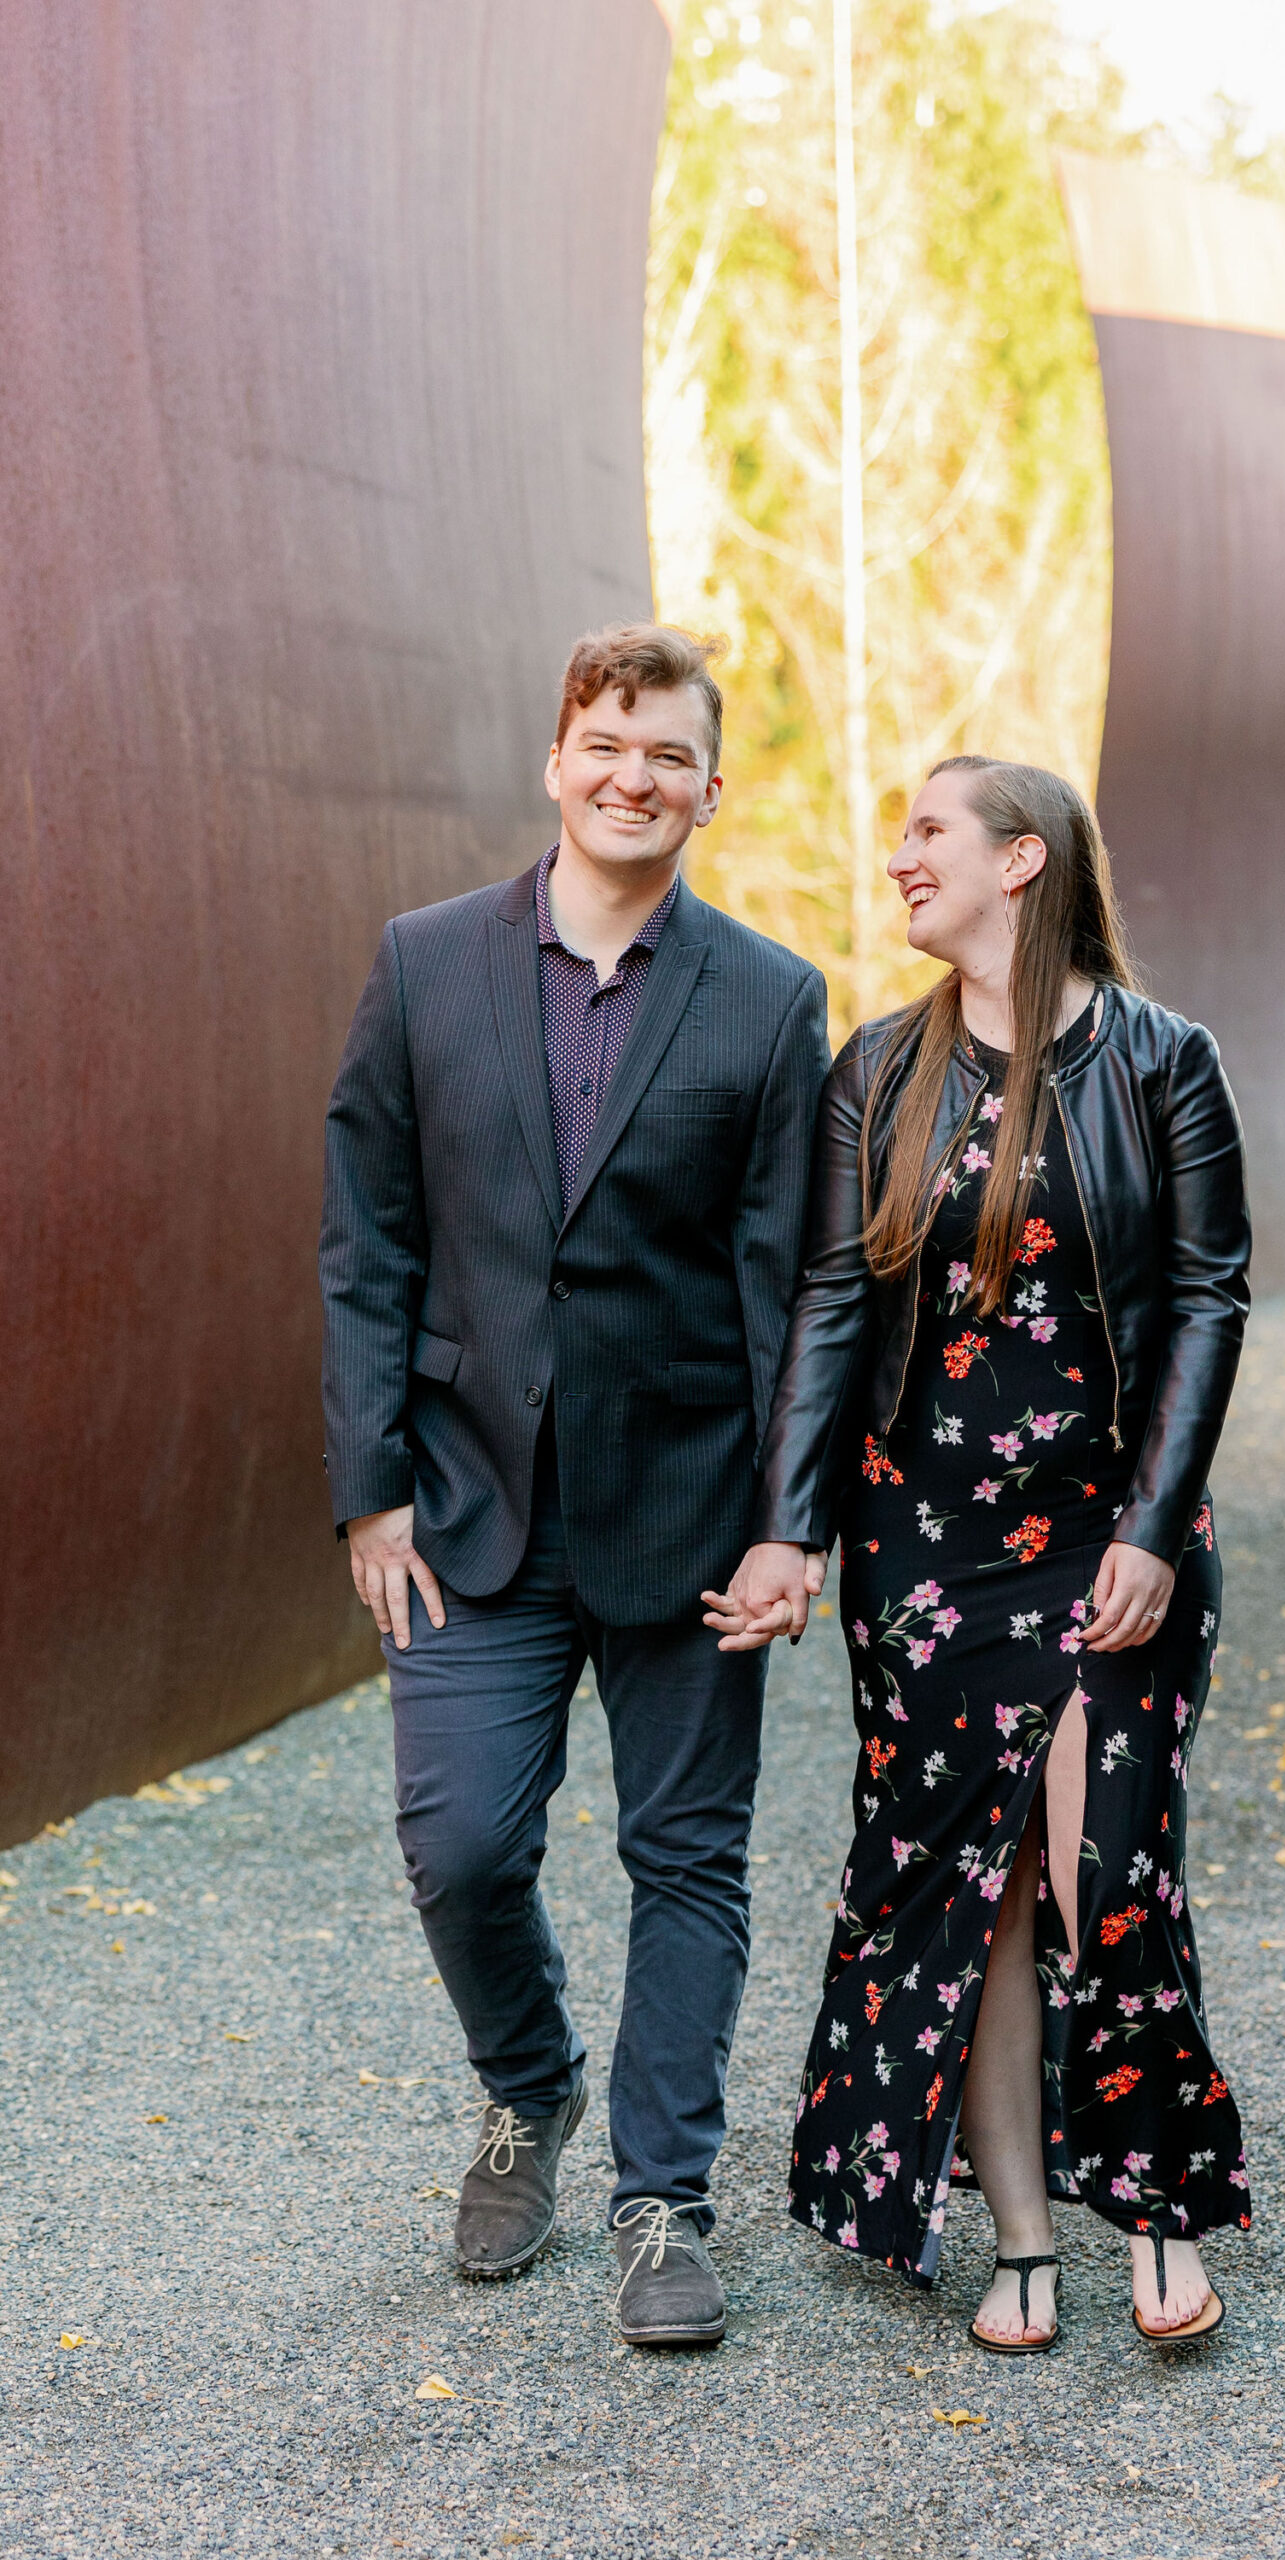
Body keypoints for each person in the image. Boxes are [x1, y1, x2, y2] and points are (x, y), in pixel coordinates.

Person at [320, 623, 829, 2346]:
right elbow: (367, 1241)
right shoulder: (424, 962)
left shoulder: (769, 999)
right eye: (607, 743)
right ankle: (523, 2088)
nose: (634, 776)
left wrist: (790, 1520)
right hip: (466, 1508)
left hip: (691, 1513)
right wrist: (369, 1488)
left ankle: (662, 2200)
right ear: (558, 759)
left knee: (688, 1858)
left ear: (708, 788)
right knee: (460, 1844)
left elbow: (793, 1282)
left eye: (669, 754)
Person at [705, 756, 1252, 2351]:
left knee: (1112, 1876)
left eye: (927, 832)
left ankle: (1154, 2205)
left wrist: (1156, 1525)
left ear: (1023, 861)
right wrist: (791, 1529)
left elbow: (1210, 1296)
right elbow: (829, 1303)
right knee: (975, 1891)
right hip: (925, 1547)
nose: (898, 858)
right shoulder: (875, 1071)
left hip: (1108, 1541)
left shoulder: (1165, 1063)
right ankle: (1021, 2233)